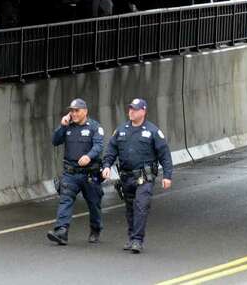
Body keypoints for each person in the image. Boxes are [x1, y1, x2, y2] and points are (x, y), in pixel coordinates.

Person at [101, 98, 174, 254]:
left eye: (135, 109)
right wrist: (106, 165)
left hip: (144, 178)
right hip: (126, 177)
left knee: (141, 207)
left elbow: (164, 154)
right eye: (130, 109)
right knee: (130, 209)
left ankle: (137, 240)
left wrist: (167, 175)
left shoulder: (153, 131)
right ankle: (131, 237)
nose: (131, 112)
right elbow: (111, 150)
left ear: (143, 111)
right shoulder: (121, 130)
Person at [47, 98, 105, 246]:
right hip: (71, 173)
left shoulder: (94, 127)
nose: (73, 113)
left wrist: (88, 156)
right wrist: (62, 126)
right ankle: (61, 231)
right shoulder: (68, 126)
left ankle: (95, 229)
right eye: (72, 111)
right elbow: (55, 141)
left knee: (94, 203)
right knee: (65, 200)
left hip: (90, 174)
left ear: (85, 111)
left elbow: (98, 146)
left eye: (77, 111)